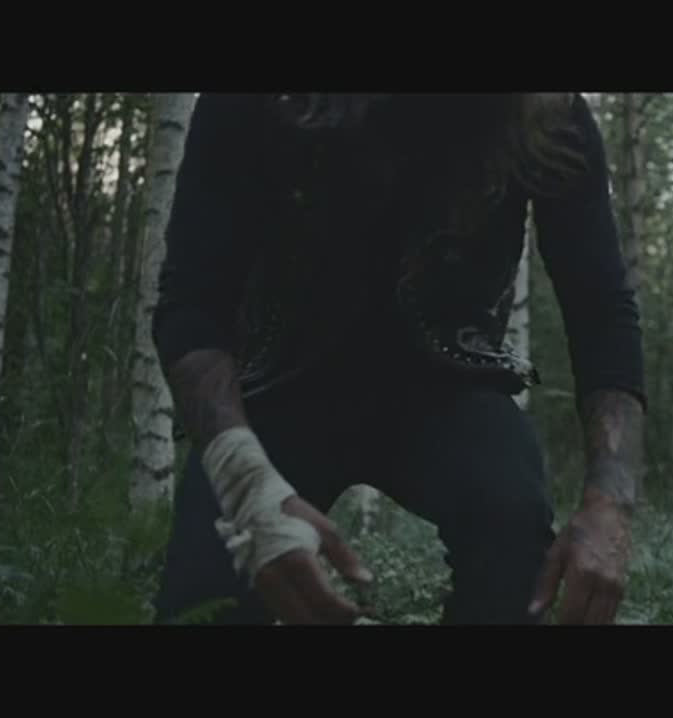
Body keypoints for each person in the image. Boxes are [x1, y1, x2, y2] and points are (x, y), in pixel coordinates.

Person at [149, 93, 645, 625]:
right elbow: (192, 304)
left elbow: (600, 310)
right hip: (278, 387)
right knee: (203, 602)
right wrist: (244, 482)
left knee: (512, 532)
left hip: (448, 386)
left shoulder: (542, 112)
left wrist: (608, 505)